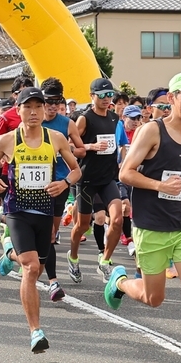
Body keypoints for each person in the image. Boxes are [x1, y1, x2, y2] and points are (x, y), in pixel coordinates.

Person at [103, 72, 181, 363]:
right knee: (154, 299)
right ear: (171, 98)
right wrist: (158, 185)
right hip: (151, 226)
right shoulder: (151, 130)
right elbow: (124, 172)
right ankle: (122, 282)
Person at [0, 87, 82, 352]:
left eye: (38, 107)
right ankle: (35, 331)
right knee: (30, 268)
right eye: (27, 107)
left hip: (45, 211)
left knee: (38, 267)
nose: (34, 112)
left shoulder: (57, 138)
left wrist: (63, 184)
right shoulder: (7, 140)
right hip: (17, 210)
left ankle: (9, 255)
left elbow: (76, 171)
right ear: (18, 110)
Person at [69, 77, 125, 280]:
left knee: (117, 219)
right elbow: (71, 147)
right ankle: (73, 257)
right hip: (88, 180)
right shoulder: (84, 118)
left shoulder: (114, 117)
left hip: (108, 178)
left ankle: (105, 260)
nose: (106, 99)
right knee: (83, 226)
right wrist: (91, 146)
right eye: (101, 95)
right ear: (92, 96)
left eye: (109, 95)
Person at [39, 77, 86, 300]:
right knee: (37, 234)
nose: (51, 106)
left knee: (49, 235)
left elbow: (81, 151)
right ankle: (53, 281)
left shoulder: (67, 123)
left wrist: (65, 148)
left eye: (56, 102)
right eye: (47, 101)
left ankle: (48, 278)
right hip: (32, 185)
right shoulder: (31, 122)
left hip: (58, 185)